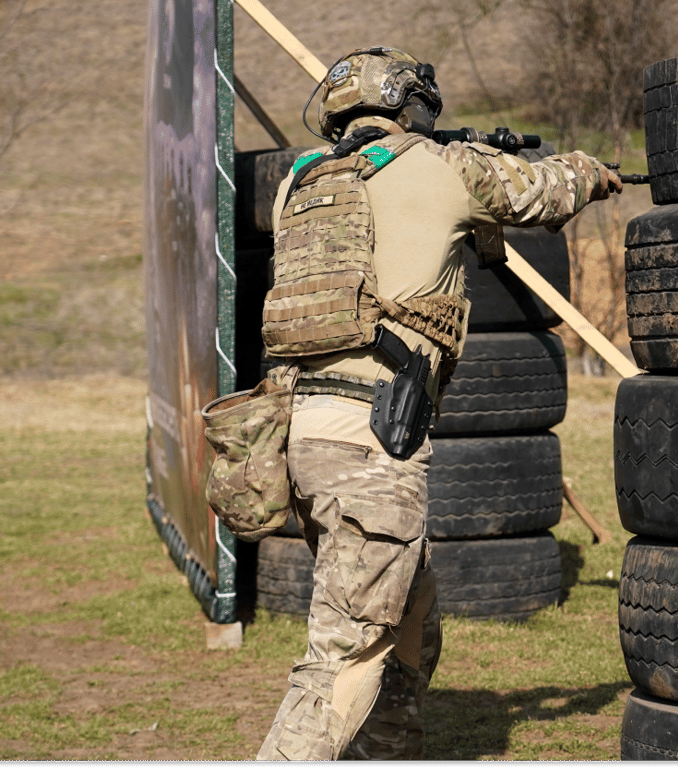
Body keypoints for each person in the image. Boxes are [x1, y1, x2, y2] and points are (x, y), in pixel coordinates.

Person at [255, 46, 622, 761]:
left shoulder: (297, 185)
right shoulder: (444, 168)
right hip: (371, 444)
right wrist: (590, 171)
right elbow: (541, 195)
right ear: (409, 103)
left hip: (300, 438)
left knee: (413, 623)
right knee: (348, 655)